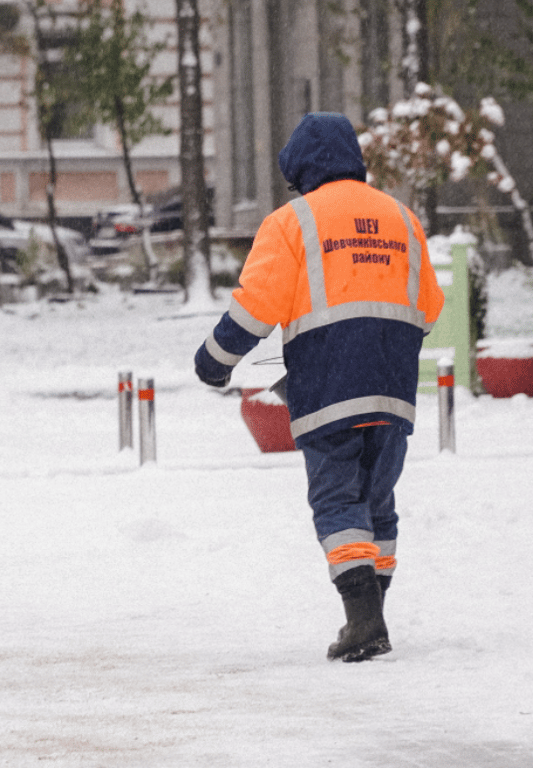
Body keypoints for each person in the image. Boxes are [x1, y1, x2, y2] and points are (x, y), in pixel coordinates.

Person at [193, 113, 444, 663]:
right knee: (378, 502)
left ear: (301, 172)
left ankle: (363, 621)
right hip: (394, 386)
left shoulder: (292, 222)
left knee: (336, 499)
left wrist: (214, 361)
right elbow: (430, 309)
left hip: (328, 385)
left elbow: (256, 306)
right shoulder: (403, 217)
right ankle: (372, 610)